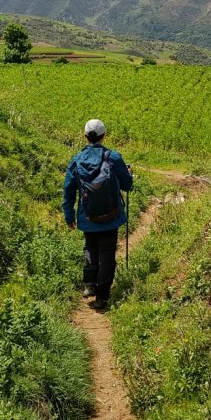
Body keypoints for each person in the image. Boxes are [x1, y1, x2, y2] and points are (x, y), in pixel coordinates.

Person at [62, 119, 133, 310]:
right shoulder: (114, 157)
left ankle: (89, 285)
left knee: (90, 248)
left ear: (85, 136)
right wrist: (129, 175)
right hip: (111, 216)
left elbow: (68, 190)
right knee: (107, 254)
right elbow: (127, 185)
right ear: (104, 136)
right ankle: (102, 297)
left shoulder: (77, 160)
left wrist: (69, 216)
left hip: (87, 217)